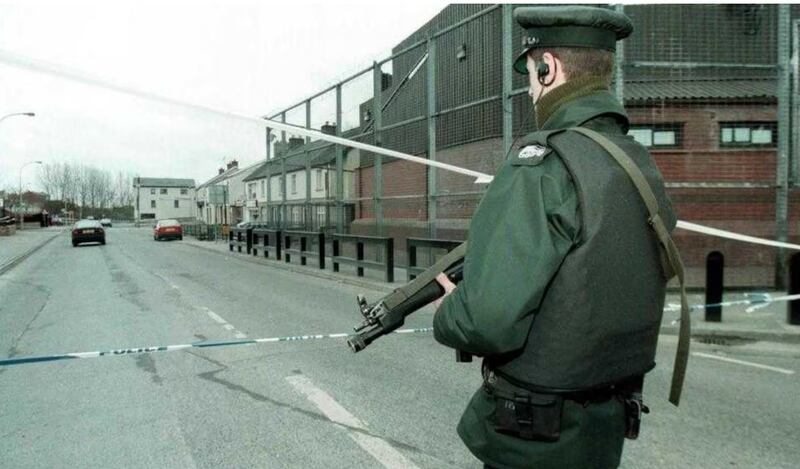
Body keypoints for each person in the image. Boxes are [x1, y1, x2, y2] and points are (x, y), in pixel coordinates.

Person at [432, 6, 680, 469]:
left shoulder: (542, 164)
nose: (529, 89)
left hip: (535, 435)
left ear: (548, 68)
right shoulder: (635, 161)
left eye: (530, 73)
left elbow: (488, 319)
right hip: (604, 427)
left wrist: (451, 310)